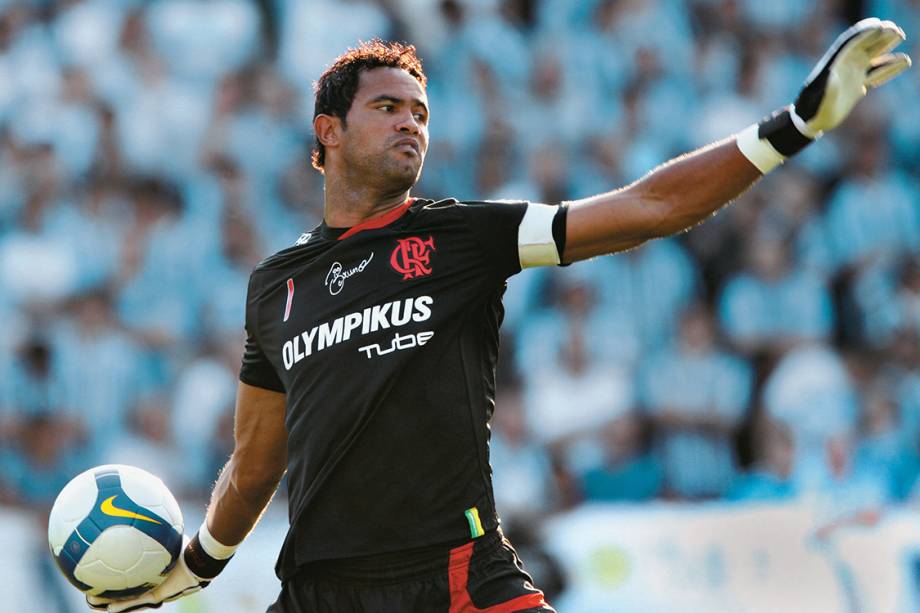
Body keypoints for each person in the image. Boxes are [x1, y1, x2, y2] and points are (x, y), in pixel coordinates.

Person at [89, 18, 910, 613]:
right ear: (328, 131)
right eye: (389, 108)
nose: (413, 122)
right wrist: (193, 566)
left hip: (456, 577)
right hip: (319, 592)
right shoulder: (276, 284)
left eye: (421, 112)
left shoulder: (464, 236)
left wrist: (792, 127)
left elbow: (649, 206)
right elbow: (256, 459)